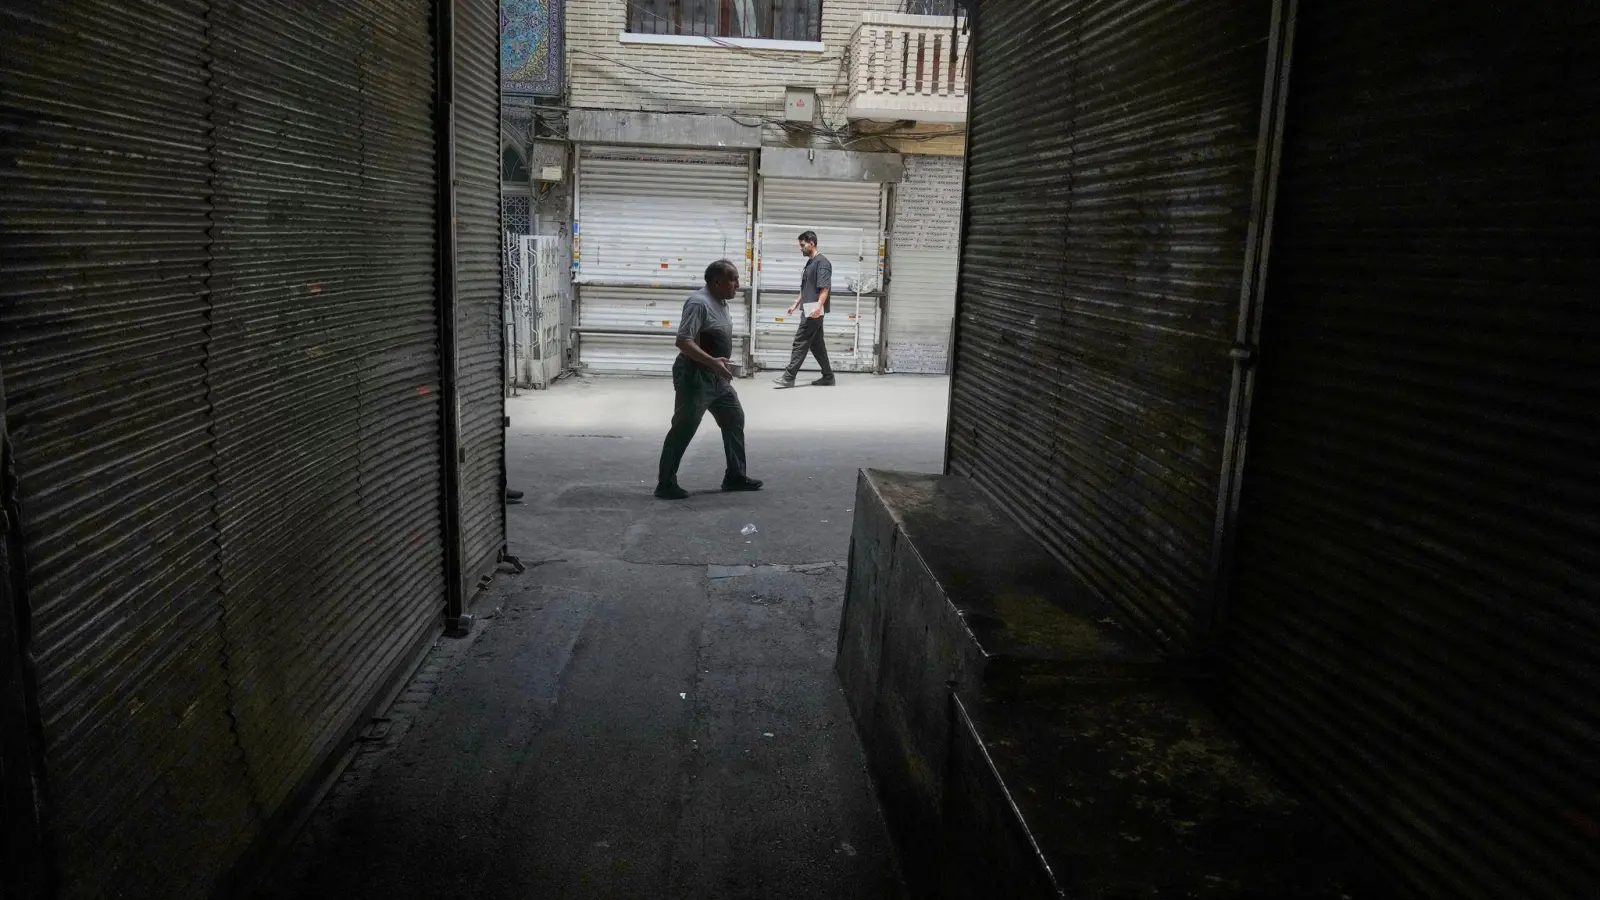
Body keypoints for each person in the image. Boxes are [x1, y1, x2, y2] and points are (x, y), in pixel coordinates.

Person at [655, 260, 764, 500]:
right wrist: (712, 362)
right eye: (733, 279)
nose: (737, 284)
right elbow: (683, 341)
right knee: (684, 427)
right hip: (695, 376)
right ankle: (665, 483)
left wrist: (720, 365)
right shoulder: (698, 303)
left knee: (734, 418)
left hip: (717, 377)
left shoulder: (721, 303)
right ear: (717, 281)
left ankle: (735, 476)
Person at [774, 230, 837, 388]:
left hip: (813, 309)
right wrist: (796, 303)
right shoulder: (810, 262)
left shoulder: (822, 263)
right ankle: (828, 376)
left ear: (812, 243)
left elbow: (824, 288)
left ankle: (788, 377)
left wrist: (818, 306)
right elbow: (806, 286)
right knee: (816, 345)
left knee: (800, 342)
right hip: (809, 307)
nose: (800, 248)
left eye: (802, 245)